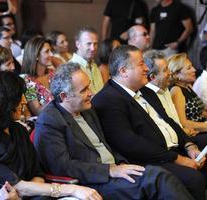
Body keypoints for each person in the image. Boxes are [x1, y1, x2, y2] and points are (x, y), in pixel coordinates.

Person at [34, 62, 194, 199]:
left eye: (89, 86)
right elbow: (62, 166)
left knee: (160, 175)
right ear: (64, 96)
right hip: (92, 181)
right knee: (159, 179)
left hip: (115, 169)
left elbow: (106, 145)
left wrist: (122, 163)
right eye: (83, 90)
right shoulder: (49, 120)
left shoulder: (87, 109)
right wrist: (109, 170)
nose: (91, 93)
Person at [92, 45, 207, 200]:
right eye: (141, 64)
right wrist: (177, 159)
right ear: (123, 71)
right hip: (149, 161)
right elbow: (130, 144)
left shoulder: (145, 90)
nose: (147, 68)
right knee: (194, 178)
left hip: (172, 150)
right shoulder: (107, 99)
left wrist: (189, 146)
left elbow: (169, 121)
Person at [0, 71, 102, 200]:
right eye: (19, 97)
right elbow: (19, 186)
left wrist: (39, 191)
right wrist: (71, 189)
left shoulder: (18, 131)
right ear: (2, 104)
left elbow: (37, 173)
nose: (24, 101)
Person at [168, 53, 207, 133]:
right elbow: (182, 122)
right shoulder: (176, 90)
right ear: (176, 74)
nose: (194, 70)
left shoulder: (188, 86)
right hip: (194, 134)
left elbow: (200, 112)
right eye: (189, 68)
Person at [21, 36, 54, 116]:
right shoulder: (26, 80)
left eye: (51, 51)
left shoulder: (52, 73)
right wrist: (57, 100)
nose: (51, 54)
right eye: (47, 51)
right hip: (46, 122)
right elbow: (37, 111)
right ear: (36, 56)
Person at [70, 27, 103, 94]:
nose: (93, 48)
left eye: (95, 44)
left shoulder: (93, 64)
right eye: (88, 44)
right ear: (78, 44)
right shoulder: (71, 68)